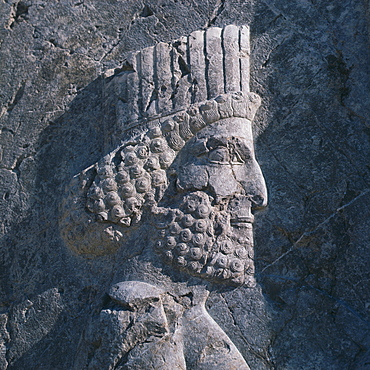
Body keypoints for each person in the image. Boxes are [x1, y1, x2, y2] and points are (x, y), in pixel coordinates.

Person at [61, 25, 267, 369]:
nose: (259, 193)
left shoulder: (188, 321)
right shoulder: (140, 324)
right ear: (155, 183)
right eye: (226, 158)